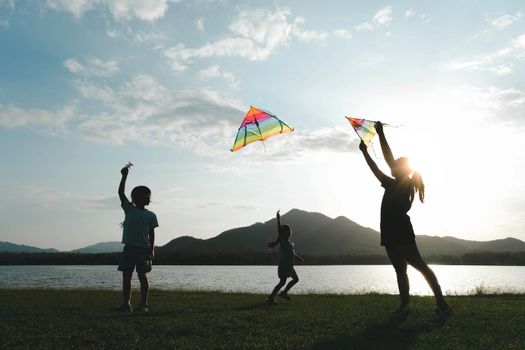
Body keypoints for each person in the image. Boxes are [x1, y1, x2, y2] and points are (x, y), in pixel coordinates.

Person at [359, 122, 451, 317]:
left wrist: (381, 134)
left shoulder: (405, 184)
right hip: (389, 229)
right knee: (400, 269)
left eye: (395, 166)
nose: (391, 167)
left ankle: (442, 304)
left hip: (400, 229)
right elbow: (375, 167)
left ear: (402, 169)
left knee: (421, 266)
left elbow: (386, 158)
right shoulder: (391, 183)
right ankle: (404, 307)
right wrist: (365, 152)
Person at [117, 164, 158, 312]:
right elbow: (121, 193)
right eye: (146, 195)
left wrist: (151, 249)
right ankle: (126, 304)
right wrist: (124, 176)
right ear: (137, 198)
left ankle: (143, 305)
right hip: (129, 249)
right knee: (126, 277)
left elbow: (152, 234)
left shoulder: (151, 215)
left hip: (143, 250)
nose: (149, 197)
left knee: (143, 277)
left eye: (149, 195)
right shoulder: (129, 209)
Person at [266, 210, 304, 304]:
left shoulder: (290, 243)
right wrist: (278, 218)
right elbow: (279, 229)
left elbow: (291, 253)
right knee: (282, 282)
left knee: (295, 279)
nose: (287, 231)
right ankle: (271, 297)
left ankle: (284, 293)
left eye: (288, 229)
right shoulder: (283, 240)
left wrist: (297, 257)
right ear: (283, 232)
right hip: (284, 266)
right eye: (285, 229)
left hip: (290, 266)